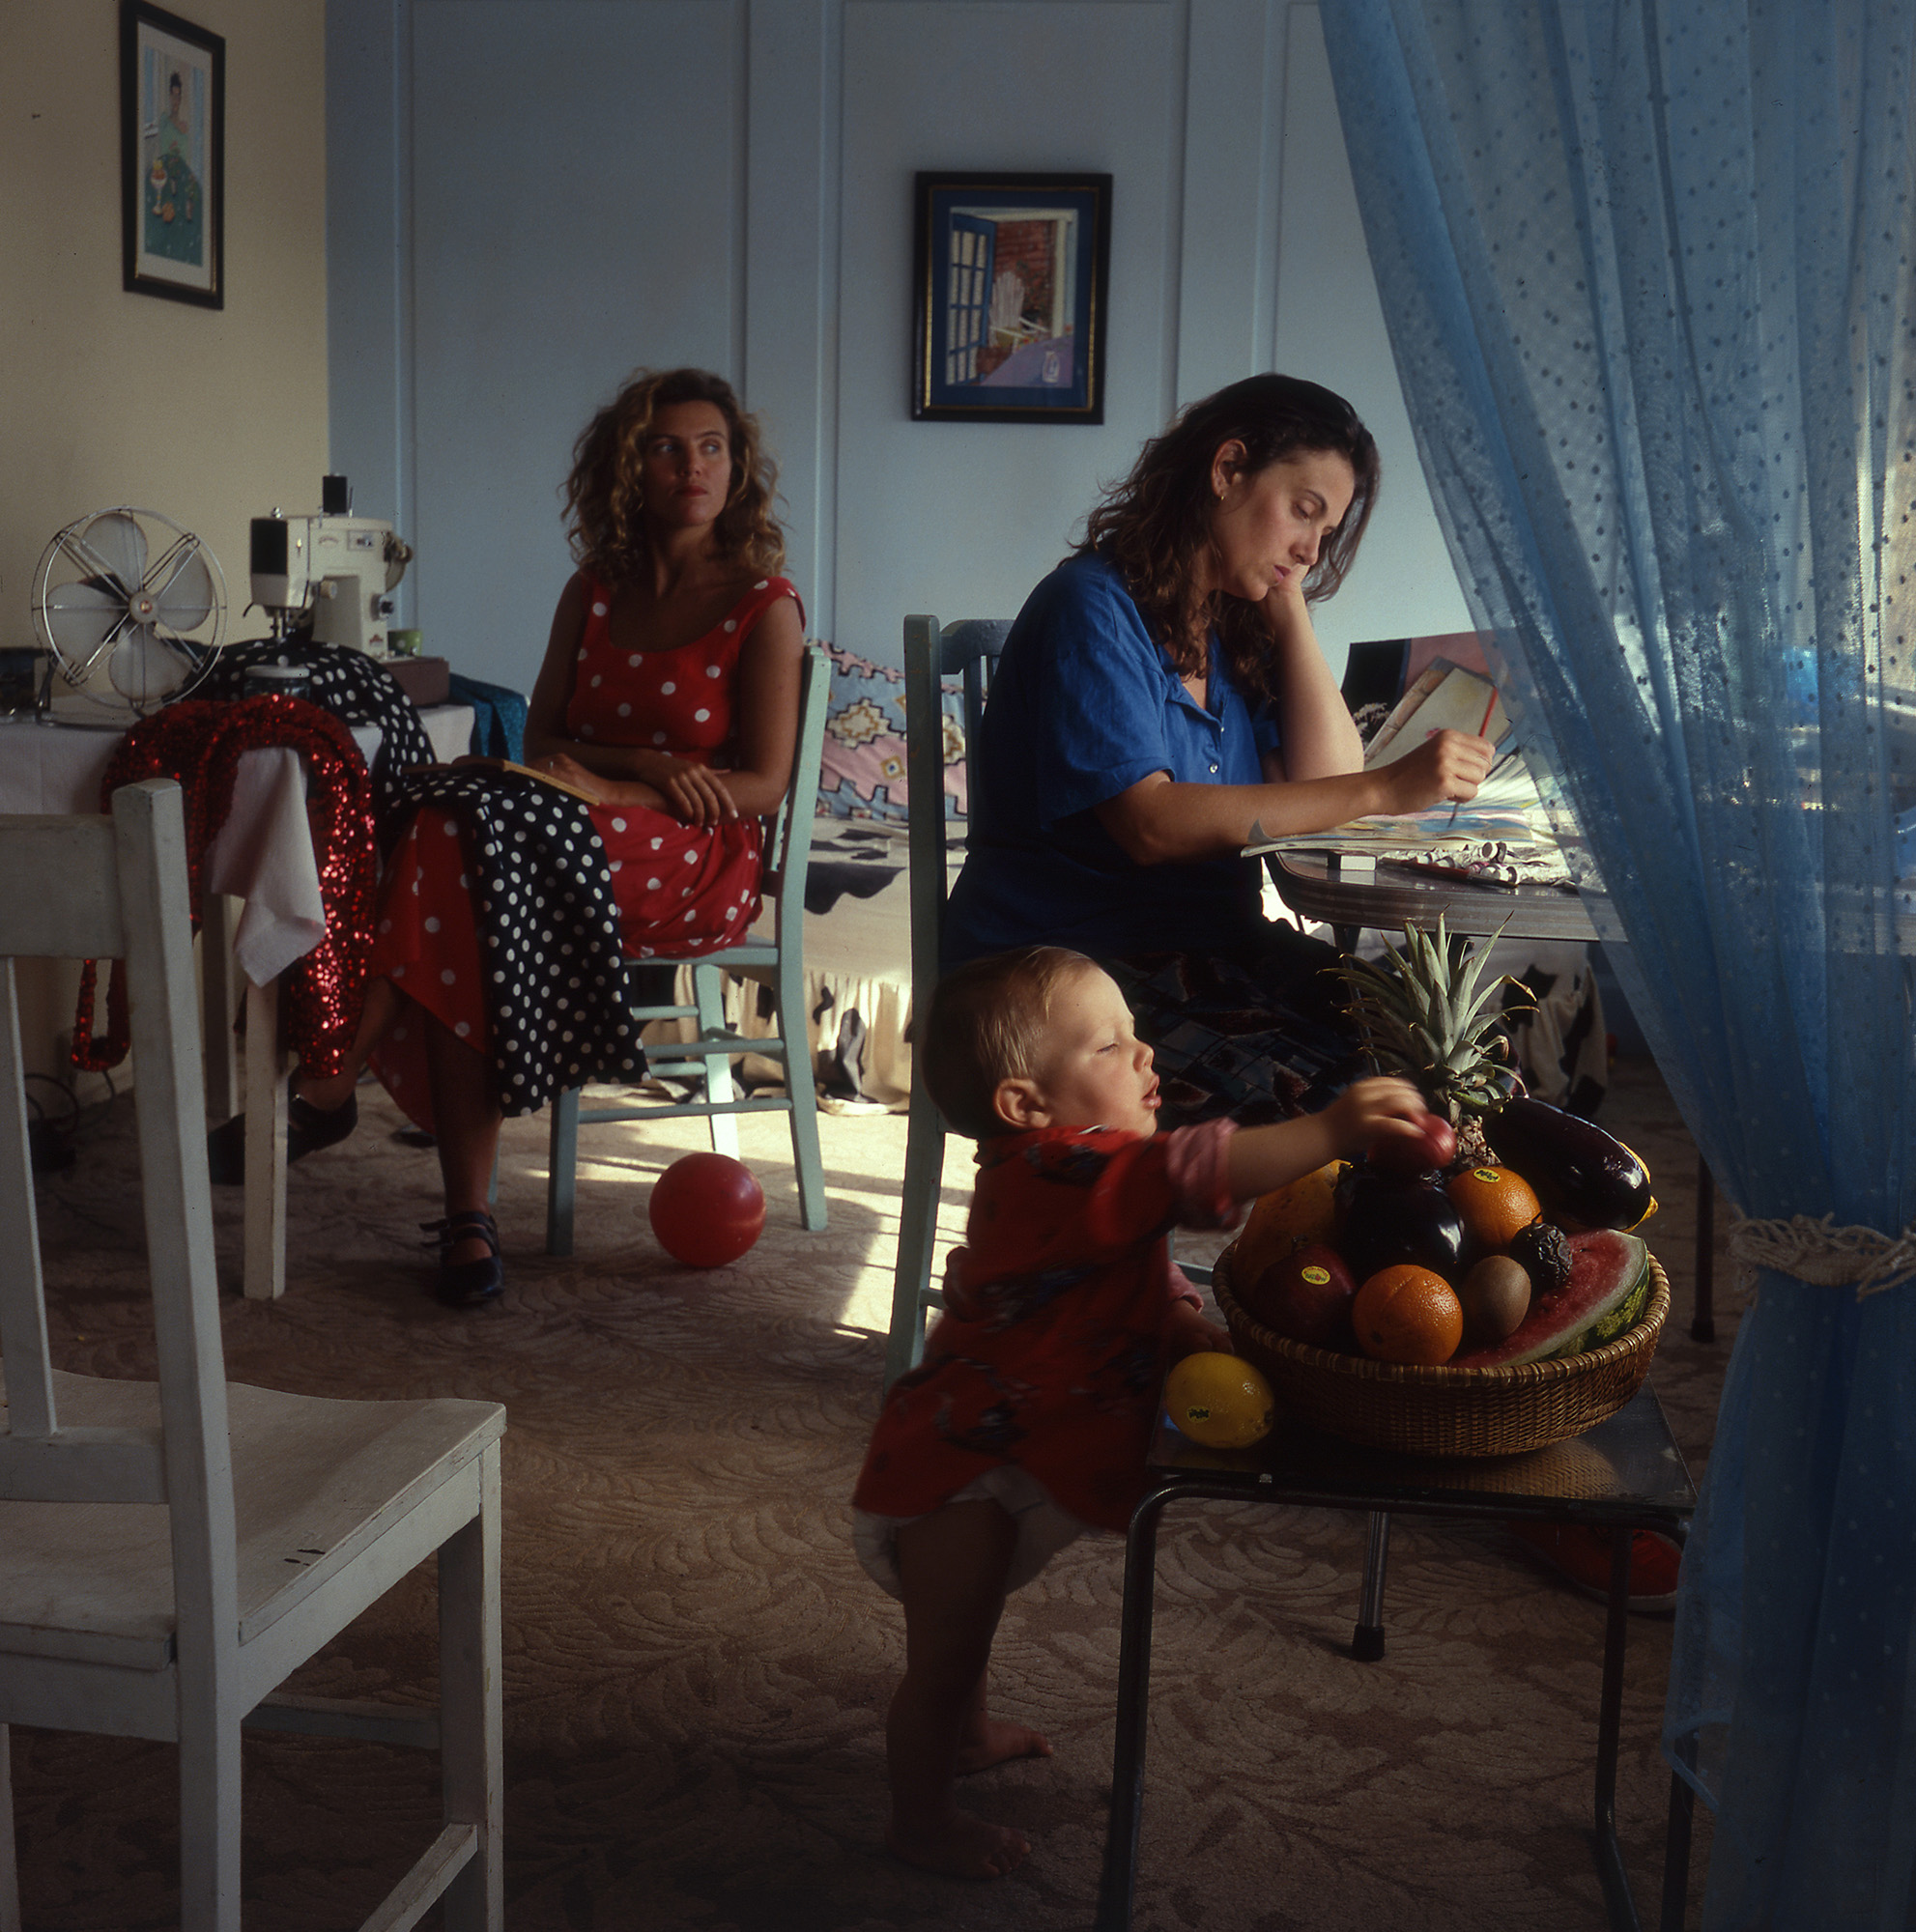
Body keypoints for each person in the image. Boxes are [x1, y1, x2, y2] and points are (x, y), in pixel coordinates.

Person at [213, 367, 806, 1307]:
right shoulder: (596, 591)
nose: (690, 465)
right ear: (628, 466)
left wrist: (632, 784)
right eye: (664, 445)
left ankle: (339, 1082)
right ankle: (460, 1211)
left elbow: (763, 784)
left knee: (460, 850)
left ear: (738, 468)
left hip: (697, 854)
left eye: (712, 447)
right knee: (449, 837)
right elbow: (542, 738)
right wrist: (637, 765)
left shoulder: (764, 606)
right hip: (581, 822)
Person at [851, 945, 1430, 1880]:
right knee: (943, 1655)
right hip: (955, 1462)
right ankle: (919, 1819)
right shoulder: (1068, 1167)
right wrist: (1329, 1127)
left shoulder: (1069, 1180)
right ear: (1024, 1104)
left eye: (1136, 1035)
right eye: (1110, 1044)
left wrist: (1181, 1318)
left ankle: (971, 1735)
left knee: (976, 1618)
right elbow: (1204, 1167)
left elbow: (1108, 1272)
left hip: (994, 1436)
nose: (1146, 1054)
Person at [942, 374, 1495, 1126]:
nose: (1309, 548)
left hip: (1204, 953)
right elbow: (1153, 825)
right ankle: (1309, 1245)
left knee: (1453, 1062)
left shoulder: (1225, 627)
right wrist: (1385, 789)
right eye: (1303, 512)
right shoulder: (1091, 606)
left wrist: (1288, 606)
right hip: (1068, 980)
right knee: (1355, 1111)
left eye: (1326, 533)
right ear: (1227, 469)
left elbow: (1325, 784)